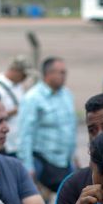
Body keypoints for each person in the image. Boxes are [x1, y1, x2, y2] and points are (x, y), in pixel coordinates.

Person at [17, 57, 76, 193]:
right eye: (60, 72)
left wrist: (74, 157)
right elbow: (25, 134)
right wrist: (28, 166)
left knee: (70, 200)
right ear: (48, 74)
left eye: (64, 72)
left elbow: (70, 128)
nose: (64, 76)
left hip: (65, 162)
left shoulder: (66, 95)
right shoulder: (33, 98)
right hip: (42, 162)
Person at [0, 56, 31, 156]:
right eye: (24, 75)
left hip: (18, 144)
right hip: (5, 145)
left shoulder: (18, 85)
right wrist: (11, 112)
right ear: (15, 71)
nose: (25, 78)